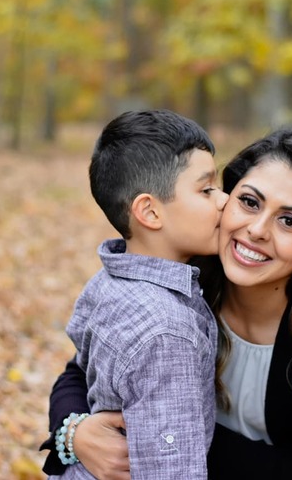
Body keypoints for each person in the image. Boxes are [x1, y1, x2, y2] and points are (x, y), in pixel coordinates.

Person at [41, 129, 292, 479]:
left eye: (289, 221)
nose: (257, 230)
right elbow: (83, 367)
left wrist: (151, 440)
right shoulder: (181, 289)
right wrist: (75, 431)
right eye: (250, 202)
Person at [49, 110, 229, 479]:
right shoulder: (167, 331)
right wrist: (71, 433)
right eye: (206, 189)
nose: (224, 200)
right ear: (149, 211)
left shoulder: (108, 280)